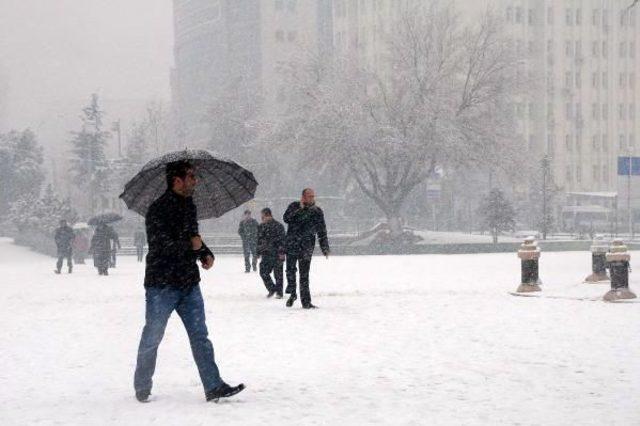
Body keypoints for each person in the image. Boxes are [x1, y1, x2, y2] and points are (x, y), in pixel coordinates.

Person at [133, 160, 244, 403]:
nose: (196, 180)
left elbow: (194, 237)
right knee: (153, 336)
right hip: (161, 284)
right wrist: (190, 246)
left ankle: (213, 386)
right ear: (177, 180)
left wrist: (204, 253)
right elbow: (161, 245)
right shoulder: (157, 210)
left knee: (200, 336)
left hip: (188, 283)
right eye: (191, 176)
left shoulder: (189, 206)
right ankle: (142, 385)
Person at [283, 188, 330, 309]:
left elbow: (321, 229)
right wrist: (300, 209)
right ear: (303, 197)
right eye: (309, 196)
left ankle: (306, 301)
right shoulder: (294, 206)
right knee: (290, 270)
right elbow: (286, 218)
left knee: (304, 275)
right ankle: (292, 293)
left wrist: (324, 246)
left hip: (307, 245)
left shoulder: (317, 211)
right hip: (292, 243)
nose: (312, 199)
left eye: (313, 196)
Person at [257, 207, 286, 298]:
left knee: (278, 274)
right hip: (266, 253)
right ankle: (272, 288)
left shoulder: (278, 226)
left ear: (268, 216)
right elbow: (259, 240)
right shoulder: (261, 226)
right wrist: (258, 252)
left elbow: (282, 240)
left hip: (277, 253)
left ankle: (279, 292)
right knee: (263, 272)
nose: (262, 219)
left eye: (262, 217)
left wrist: (282, 252)